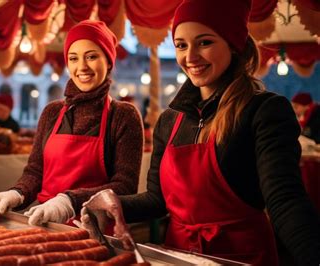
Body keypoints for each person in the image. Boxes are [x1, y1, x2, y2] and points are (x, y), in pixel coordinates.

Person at [79, 1, 320, 265]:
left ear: (233, 43)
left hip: (243, 257)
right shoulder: (169, 120)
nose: (190, 57)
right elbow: (157, 200)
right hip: (178, 256)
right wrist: (111, 203)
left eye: (204, 42)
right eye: (181, 45)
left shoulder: (265, 111)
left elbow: (285, 200)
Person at [0, 20, 144, 226]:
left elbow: (125, 187)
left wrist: (68, 201)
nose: (82, 67)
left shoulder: (123, 115)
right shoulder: (52, 112)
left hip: (94, 228)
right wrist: (18, 193)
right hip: (42, 221)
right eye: (73, 58)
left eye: (91, 56)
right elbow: (35, 171)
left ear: (109, 61)